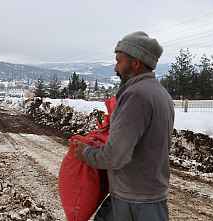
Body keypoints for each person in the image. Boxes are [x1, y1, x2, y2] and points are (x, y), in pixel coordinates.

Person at [72, 31, 175, 221]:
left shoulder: (136, 96)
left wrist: (86, 153)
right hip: (151, 196)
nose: (115, 67)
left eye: (119, 61)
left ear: (135, 63)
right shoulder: (161, 93)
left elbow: (116, 155)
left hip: (133, 201)